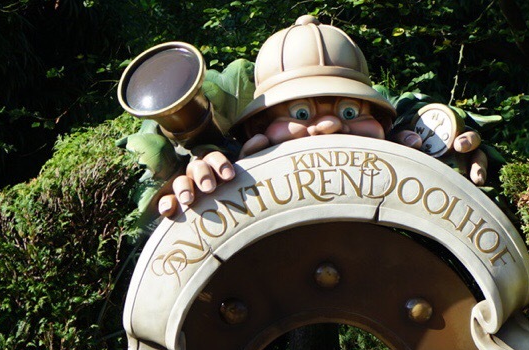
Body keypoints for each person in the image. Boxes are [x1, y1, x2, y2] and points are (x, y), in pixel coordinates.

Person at [155, 14, 484, 217]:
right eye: (301, 113)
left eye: (350, 111)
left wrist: (450, 154)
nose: (329, 126)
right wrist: (207, 185)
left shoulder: (404, 154)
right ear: (259, 126)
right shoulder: (234, 167)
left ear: (384, 123)